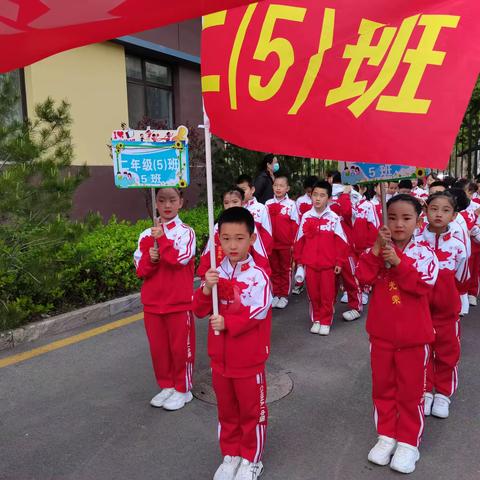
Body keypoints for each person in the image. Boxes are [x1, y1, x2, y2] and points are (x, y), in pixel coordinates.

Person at [356, 194, 439, 474]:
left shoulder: (425, 252)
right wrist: (377, 251)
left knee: (411, 392)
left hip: (414, 338)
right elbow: (362, 278)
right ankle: (386, 435)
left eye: (406, 218)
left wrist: (399, 263)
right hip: (381, 335)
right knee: (383, 388)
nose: (399, 224)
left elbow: (423, 285)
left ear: (418, 220)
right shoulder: (379, 248)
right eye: (392, 217)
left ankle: (408, 443)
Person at [192, 207, 272, 480]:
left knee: (252, 412)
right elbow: (199, 310)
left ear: (251, 239)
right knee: (226, 410)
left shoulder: (258, 276)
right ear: (219, 240)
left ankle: (251, 459)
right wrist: (205, 288)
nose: (232, 245)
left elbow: (258, 311)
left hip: (249, 360)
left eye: (239, 238)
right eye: (226, 238)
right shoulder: (215, 273)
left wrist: (229, 324)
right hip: (220, 359)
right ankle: (231, 453)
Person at [134, 188, 196, 411]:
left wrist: (163, 241)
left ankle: (183, 388)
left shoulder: (186, 232)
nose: (167, 205)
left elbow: (181, 258)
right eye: (161, 200)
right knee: (159, 349)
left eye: (172, 200)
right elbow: (140, 270)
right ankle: (167, 385)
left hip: (178, 302)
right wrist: (150, 259)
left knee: (180, 349)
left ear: (181, 202)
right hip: (153, 304)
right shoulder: (144, 234)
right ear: (156, 204)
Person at [420, 192, 468, 419]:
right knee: (423, 349)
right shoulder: (416, 241)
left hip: (447, 310)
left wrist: (451, 297)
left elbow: (462, 276)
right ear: (425, 211)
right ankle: (426, 389)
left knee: (447, 350)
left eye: (445, 210)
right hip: (420, 309)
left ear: (454, 215)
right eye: (434, 208)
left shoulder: (458, 246)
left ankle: (443, 394)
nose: (439, 214)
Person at [293, 181, 348, 336]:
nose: (317, 198)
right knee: (313, 294)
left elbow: (341, 242)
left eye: (322, 195)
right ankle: (316, 319)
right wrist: (300, 262)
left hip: (328, 265)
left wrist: (339, 261)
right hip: (310, 264)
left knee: (327, 294)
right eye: (315, 194)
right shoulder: (306, 216)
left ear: (329, 198)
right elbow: (299, 241)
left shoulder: (334, 218)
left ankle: (325, 320)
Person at [197, 188, 270, 277]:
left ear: (242, 203)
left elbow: (259, 254)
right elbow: (209, 251)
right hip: (221, 276)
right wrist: (205, 276)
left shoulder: (248, 225)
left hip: (245, 275)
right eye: (226, 203)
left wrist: (262, 275)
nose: (231, 206)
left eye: (235, 202)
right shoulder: (217, 227)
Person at [327, 170, 363, 321]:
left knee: (350, 277)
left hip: (346, 245)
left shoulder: (351, 195)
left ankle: (356, 306)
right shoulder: (326, 196)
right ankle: (328, 306)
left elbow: (348, 214)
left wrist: (346, 195)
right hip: (329, 245)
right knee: (330, 279)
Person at [266, 176, 299, 309]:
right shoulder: (267, 204)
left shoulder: (291, 204)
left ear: (287, 188)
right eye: (276, 185)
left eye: (281, 186)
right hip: (272, 244)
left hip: (286, 244)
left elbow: (295, 224)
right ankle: (276, 294)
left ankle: (284, 294)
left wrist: (293, 244)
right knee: (274, 269)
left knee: (286, 269)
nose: (278, 188)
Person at [292, 175, 319, 295]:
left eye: (311, 191)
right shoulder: (300, 201)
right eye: (308, 192)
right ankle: (299, 282)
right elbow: (297, 218)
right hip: (303, 233)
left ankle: (315, 283)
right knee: (300, 257)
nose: (310, 194)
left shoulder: (319, 200)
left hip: (316, 235)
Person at [236, 174, 273, 255]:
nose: (240, 193)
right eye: (238, 190)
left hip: (256, 256)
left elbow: (267, 235)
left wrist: (261, 256)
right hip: (237, 254)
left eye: (243, 189)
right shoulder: (234, 208)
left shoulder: (261, 208)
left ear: (252, 189)